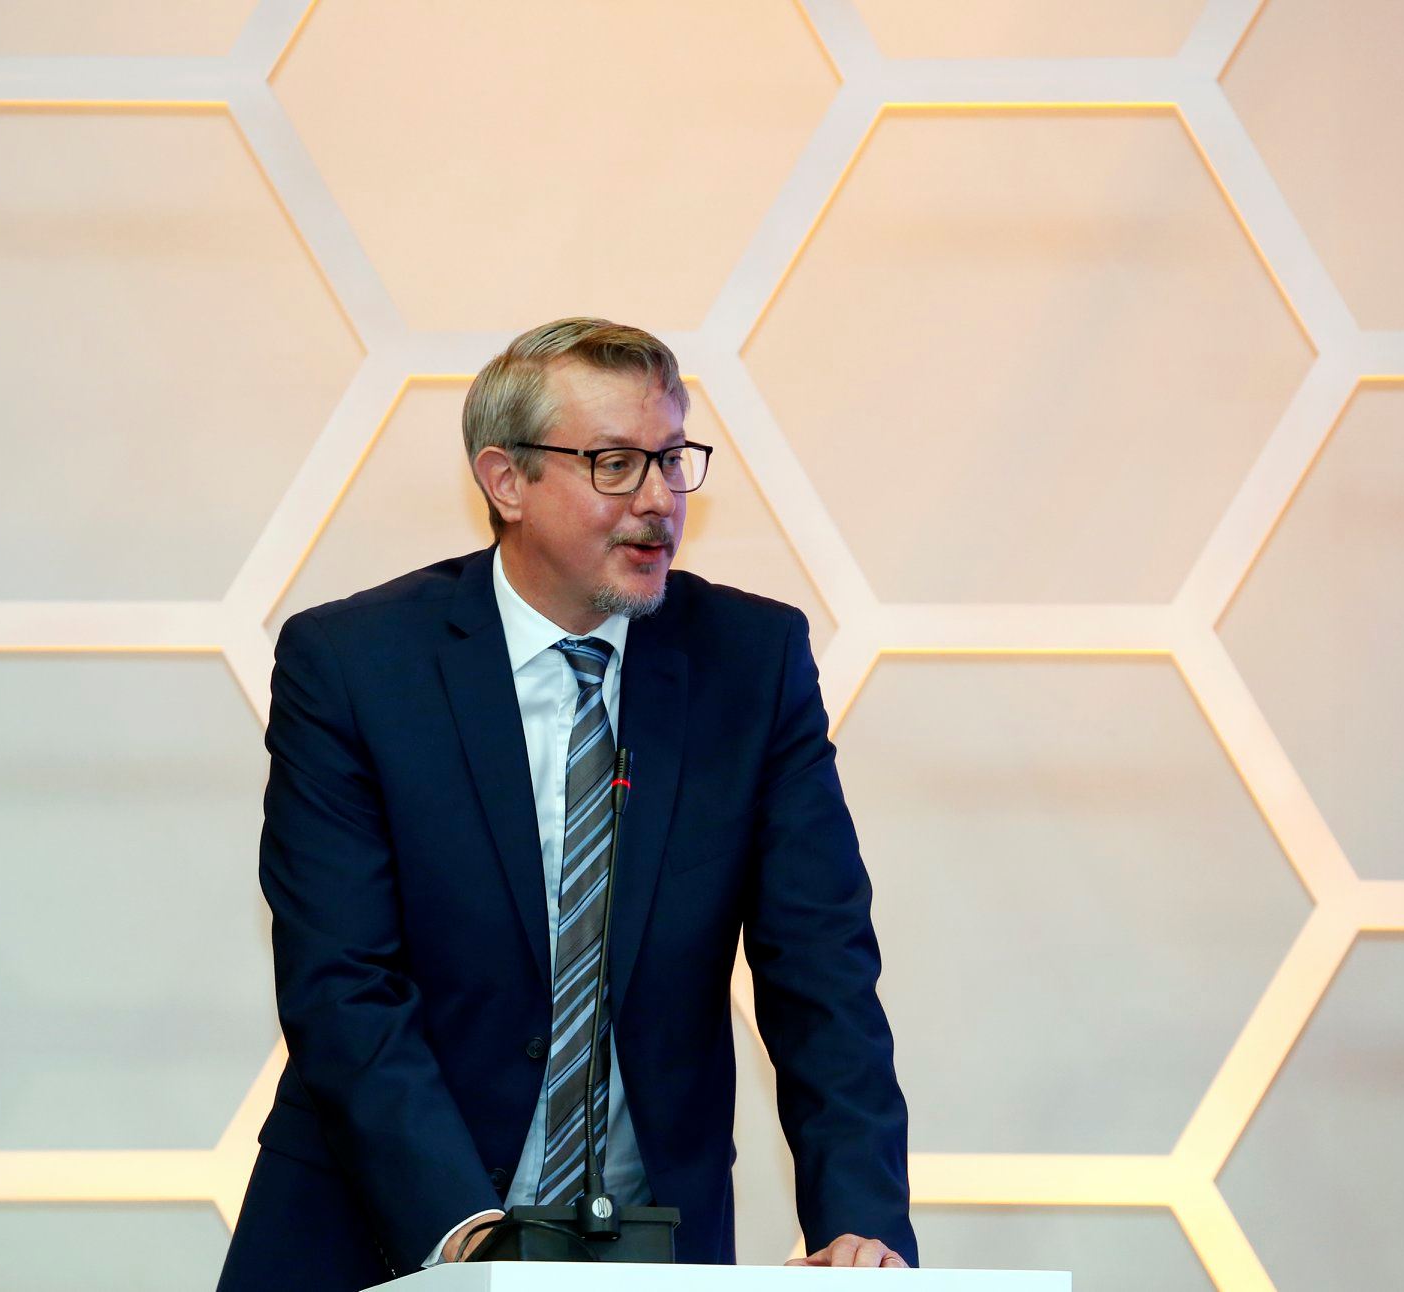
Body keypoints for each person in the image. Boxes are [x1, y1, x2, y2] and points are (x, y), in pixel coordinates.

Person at [217, 319, 915, 1289]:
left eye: (670, 460)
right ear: (505, 480)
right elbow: (343, 985)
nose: (658, 500)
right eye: (614, 464)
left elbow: (820, 971)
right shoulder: (354, 666)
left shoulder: (748, 664)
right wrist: (468, 1240)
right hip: (379, 1236)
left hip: (642, 1244)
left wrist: (858, 1222)